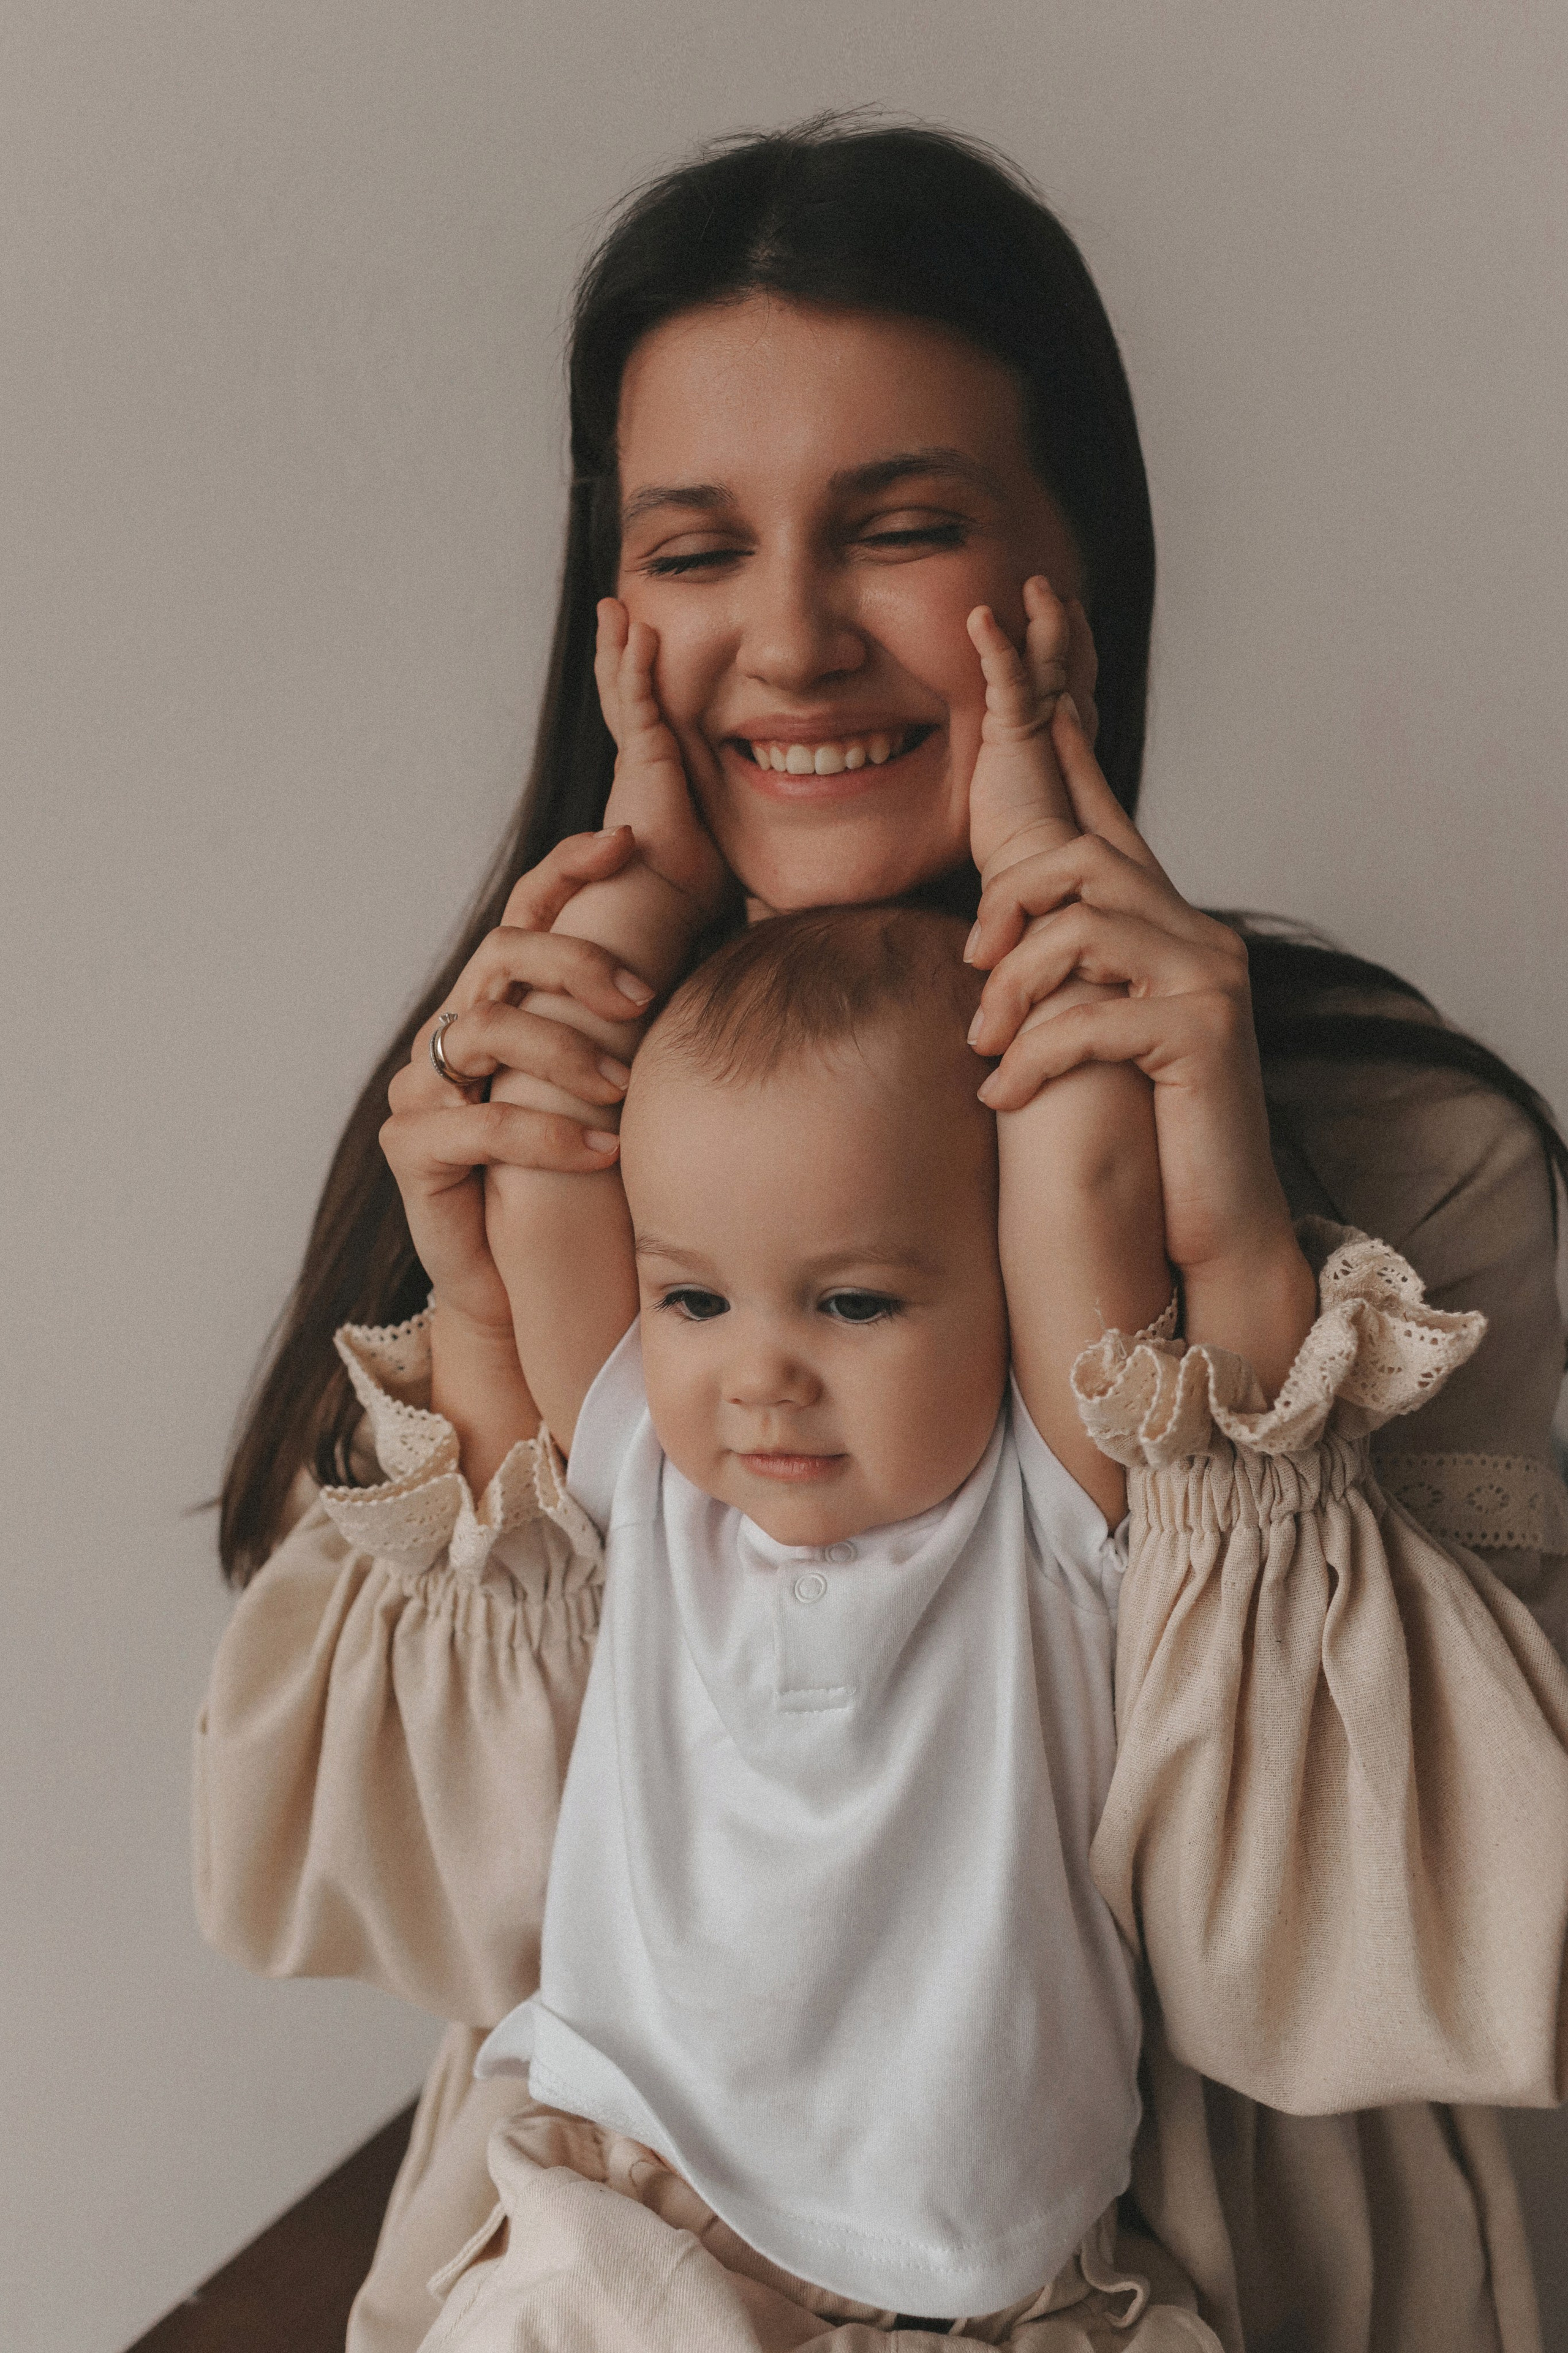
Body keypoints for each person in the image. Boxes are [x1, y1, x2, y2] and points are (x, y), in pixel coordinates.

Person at [197, 121, 1568, 2353]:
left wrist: (1217, 1194)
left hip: (1229, 2268)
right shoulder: (532, 1132)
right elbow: (479, 1905)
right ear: (615, 619)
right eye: (697, 546)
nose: (793, 638)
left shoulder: (1410, 1173)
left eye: (903, 525)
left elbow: (1335, 1939)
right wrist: (487, 1266)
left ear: (1081, 571)